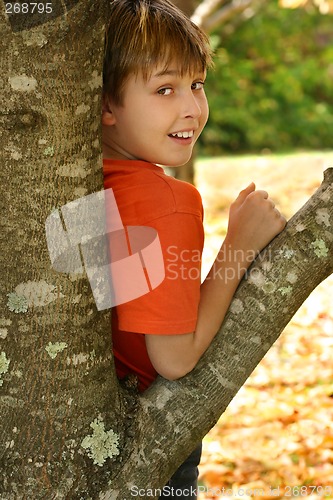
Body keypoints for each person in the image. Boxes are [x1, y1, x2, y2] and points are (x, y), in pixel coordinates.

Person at [102, 0, 286, 498]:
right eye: (165, 89)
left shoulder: (88, 183)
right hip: (151, 437)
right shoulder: (167, 202)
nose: (192, 108)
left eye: (197, 84)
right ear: (106, 104)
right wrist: (239, 248)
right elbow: (174, 359)